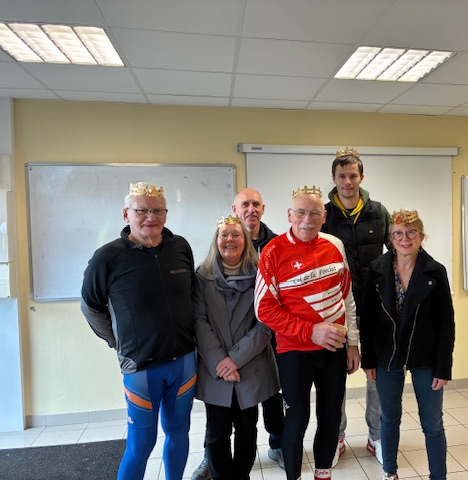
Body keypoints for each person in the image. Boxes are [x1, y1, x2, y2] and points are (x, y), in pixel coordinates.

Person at [80, 182, 197, 480]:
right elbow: (91, 307)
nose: (150, 217)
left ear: (166, 214)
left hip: (184, 362)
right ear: (126, 214)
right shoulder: (107, 257)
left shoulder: (180, 247)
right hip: (141, 369)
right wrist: (116, 341)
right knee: (142, 443)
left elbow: (191, 296)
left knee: (179, 433)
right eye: (141, 210)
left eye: (157, 210)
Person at [254, 185, 360, 480]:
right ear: (290, 214)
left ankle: (323, 474)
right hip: (294, 352)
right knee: (297, 419)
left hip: (334, 348)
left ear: (324, 216)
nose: (307, 220)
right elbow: (264, 309)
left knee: (330, 418)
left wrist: (353, 343)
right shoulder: (273, 251)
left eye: (314, 213)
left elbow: (347, 298)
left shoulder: (335, 245)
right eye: (301, 212)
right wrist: (310, 331)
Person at [191, 188, 285, 480]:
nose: (229, 239)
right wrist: (221, 360)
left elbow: (266, 323)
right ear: (216, 240)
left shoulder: (262, 275)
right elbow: (198, 321)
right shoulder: (202, 276)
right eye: (224, 235)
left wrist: (235, 359)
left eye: (236, 235)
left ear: (246, 241)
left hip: (250, 365)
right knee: (216, 433)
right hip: (215, 368)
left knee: (247, 430)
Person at [359, 209, 455, 480]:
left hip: (426, 357)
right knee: (389, 418)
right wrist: (368, 360)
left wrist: (443, 367)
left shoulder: (435, 271)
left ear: (421, 236)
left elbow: (446, 323)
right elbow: (367, 320)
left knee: (432, 423)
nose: (405, 238)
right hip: (387, 355)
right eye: (398, 233)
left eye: (412, 232)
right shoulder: (377, 269)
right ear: (391, 238)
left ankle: (438, 476)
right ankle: (389, 472)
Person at [321, 147, 390, 465]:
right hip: (335, 311)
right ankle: (336, 438)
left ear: (361, 177)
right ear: (334, 178)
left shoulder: (379, 212)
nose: (347, 182)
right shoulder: (323, 215)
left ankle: (376, 436)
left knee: (376, 376)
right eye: (341, 176)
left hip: (375, 308)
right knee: (335, 379)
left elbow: (398, 250)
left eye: (352, 175)